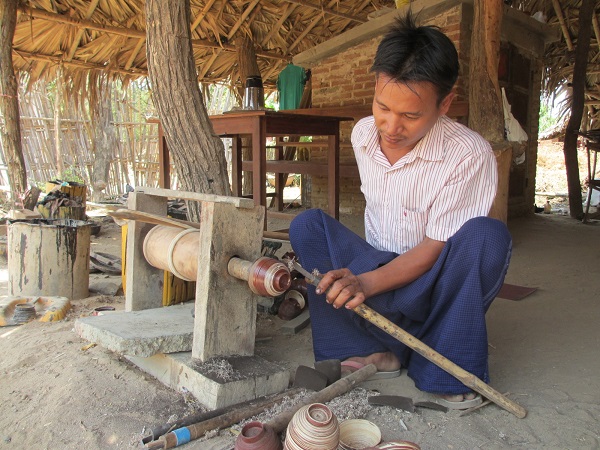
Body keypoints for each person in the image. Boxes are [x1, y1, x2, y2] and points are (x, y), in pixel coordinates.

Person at [289, 13, 512, 409]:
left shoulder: (467, 155)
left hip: (430, 288)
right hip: (374, 274)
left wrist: (364, 283)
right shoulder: (362, 135)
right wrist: (362, 276)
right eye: (383, 107)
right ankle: (375, 347)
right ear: (375, 85)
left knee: (487, 237)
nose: (391, 126)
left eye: (411, 115)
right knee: (308, 225)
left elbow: (433, 250)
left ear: (444, 103)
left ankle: (443, 363)